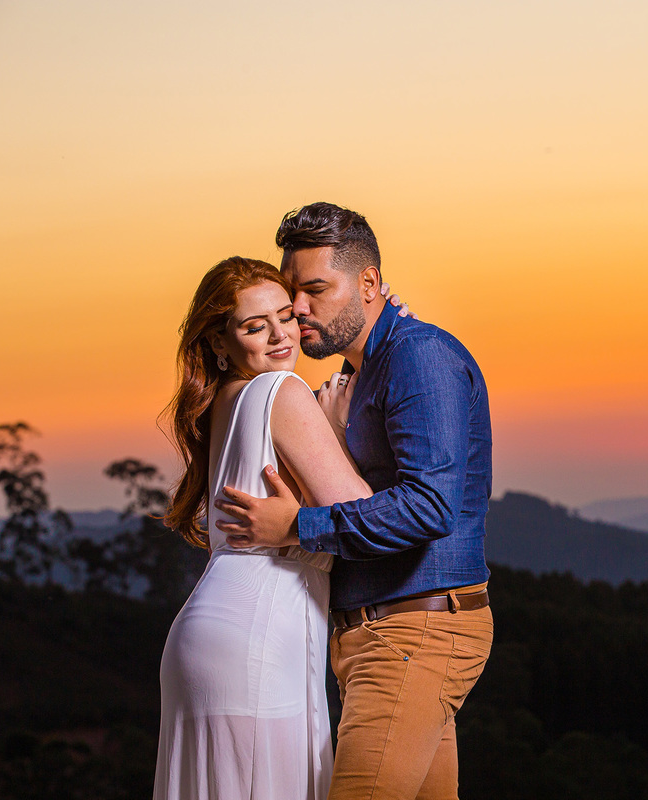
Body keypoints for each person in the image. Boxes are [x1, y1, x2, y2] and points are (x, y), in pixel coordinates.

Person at [215, 203, 494, 800]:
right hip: (375, 635)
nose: (298, 310)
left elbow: (430, 507)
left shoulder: (418, 356)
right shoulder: (359, 374)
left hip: (413, 631)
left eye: (316, 290)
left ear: (369, 284)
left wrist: (298, 526)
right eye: (293, 292)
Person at [153, 256, 371, 800]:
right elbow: (363, 516)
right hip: (257, 640)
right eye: (255, 326)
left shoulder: (226, 400)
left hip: (212, 632)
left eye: (286, 316)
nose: (280, 336)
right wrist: (336, 424)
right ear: (219, 343)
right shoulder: (282, 391)